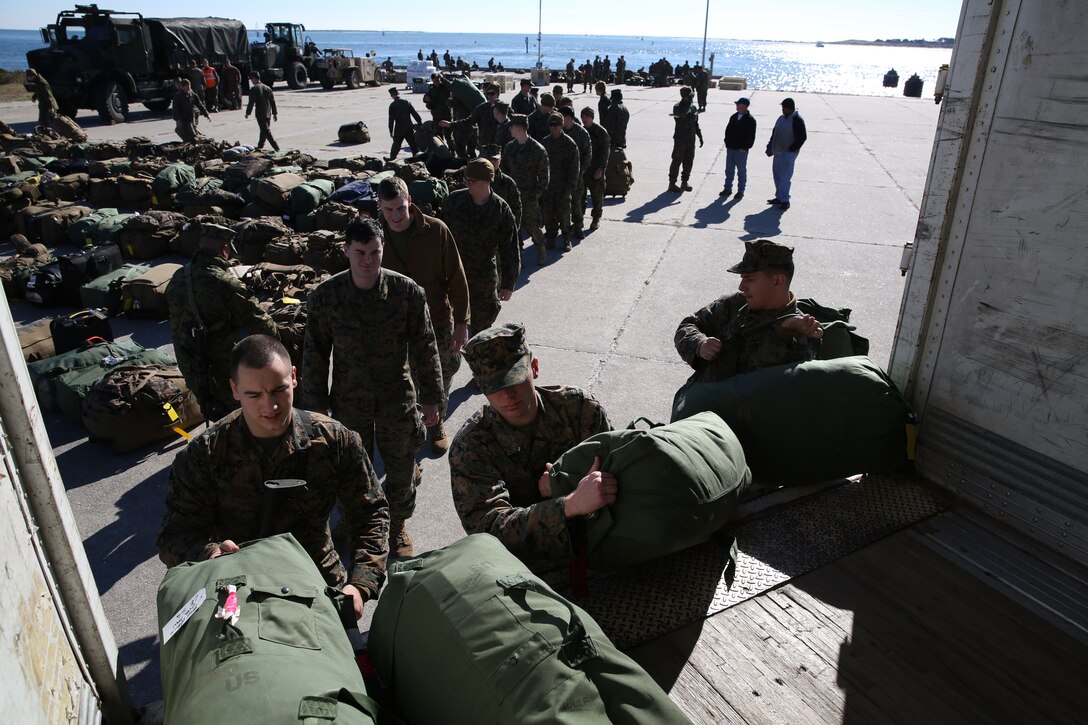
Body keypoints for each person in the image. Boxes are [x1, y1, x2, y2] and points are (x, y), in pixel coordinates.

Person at [157, 335, 389, 619]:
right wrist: (211, 553)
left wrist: (361, 583)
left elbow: (371, 513)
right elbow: (173, 536)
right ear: (234, 389)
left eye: (279, 390)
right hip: (238, 587)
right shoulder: (205, 453)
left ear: (294, 377)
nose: (270, 406)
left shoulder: (334, 440)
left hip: (316, 578)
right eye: (254, 395)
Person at [302, 217, 442, 557]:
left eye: (375, 253)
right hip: (350, 402)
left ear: (383, 250)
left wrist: (432, 398)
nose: (368, 261)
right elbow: (314, 355)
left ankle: (397, 526)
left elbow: (425, 346)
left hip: (398, 400)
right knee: (350, 470)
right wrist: (315, 409)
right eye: (360, 252)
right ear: (346, 250)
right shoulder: (326, 296)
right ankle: (354, 523)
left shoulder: (406, 292)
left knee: (401, 469)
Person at [449, 323, 615, 570]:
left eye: (513, 380)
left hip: (597, 541)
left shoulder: (579, 409)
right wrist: (569, 504)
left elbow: (617, 468)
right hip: (522, 567)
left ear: (534, 368)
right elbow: (488, 530)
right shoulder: (471, 446)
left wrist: (565, 478)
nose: (507, 395)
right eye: (495, 387)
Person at [375, 177, 469, 453]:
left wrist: (462, 323)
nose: (395, 216)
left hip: (438, 318)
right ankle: (414, 428)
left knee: (444, 370)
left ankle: (436, 421)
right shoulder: (376, 235)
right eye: (388, 209)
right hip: (396, 325)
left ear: (410, 203)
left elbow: (457, 277)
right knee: (405, 380)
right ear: (380, 206)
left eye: (400, 208)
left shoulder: (435, 230)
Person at [166, 222, 278, 422]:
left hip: (192, 366)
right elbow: (261, 324)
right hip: (222, 367)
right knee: (240, 417)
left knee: (216, 415)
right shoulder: (224, 283)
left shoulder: (178, 278)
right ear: (224, 249)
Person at [674, 239, 824, 384]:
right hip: (705, 399)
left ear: (778, 281)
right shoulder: (736, 303)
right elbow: (688, 325)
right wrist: (700, 343)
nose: (741, 286)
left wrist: (782, 332)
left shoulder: (802, 330)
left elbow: (777, 387)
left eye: (749, 279)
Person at [440, 158, 520, 332]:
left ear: (487, 181)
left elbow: (510, 249)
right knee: (450, 327)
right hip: (454, 274)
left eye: (471, 181)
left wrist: (508, 283)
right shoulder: (454, 201)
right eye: (466, 180)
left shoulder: (501, 210)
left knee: (481, 329)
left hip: (483, 280)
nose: (467, 184)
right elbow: (440, 238)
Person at [500, 114, 550, 265]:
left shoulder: (537, 149)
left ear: (520, 129)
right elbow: (504, 171)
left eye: (512, 126)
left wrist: (535, 195)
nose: (509, 128)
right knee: (514, 226)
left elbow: (544, 177)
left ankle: (540, 247)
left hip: (529, 196)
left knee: (532, 225)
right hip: (513, 195)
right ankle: (518, 253)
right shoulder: (510, 148)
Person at [540, 112, 580, 254]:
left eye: (556, 124)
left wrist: (570, 188)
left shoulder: (569, 144)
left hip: (564, 187)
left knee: (564, 215)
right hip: (549, 187)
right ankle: (551, 237)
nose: (554, 127)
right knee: (548, 214)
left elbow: (574, 168)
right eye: (551, 124)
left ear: (561, 125)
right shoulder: (544, 143)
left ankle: (566, 238)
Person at [765, 97, 807, 210]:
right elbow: (774, 134)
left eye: (784, 108)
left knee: (785, 177)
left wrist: (792, 149)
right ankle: (779, 197)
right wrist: (770, 146)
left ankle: (785, 200)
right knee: (777, 175)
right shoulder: (781, 119)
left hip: (788, 154)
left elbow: (802, 137)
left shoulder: (797, 120)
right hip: (777, 152)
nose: (782, 109)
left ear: (790, 108)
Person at [560, 107, 591, 240]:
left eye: (562, 118)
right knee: (563, 204)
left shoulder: (581, 133)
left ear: (569, 118)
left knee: (577, 203)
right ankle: (565, 229)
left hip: (577, 176)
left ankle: (578, 227)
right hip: (561, 176)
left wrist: (581, 171)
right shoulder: (558, 133)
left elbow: (588, 154)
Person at [480, 143, 522, 233]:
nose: (491, 162)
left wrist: (513, 231)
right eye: (487, 159)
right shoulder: (472, 181)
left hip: (501, 231)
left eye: (494, 159)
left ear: (500, 160)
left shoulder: (508, 183)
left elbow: (516, 209)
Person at [579, 106, 609, 231]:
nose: (584, 119)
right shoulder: (581, 131)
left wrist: (601, 169)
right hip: (584, 170)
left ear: (592, 117)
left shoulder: (601, 132)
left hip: (596, 169)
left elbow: (605, 153)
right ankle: (579, 220)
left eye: (586, 116)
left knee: (597, 196)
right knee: (580, 196)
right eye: (582, 116)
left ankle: (596, 218)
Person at [721, 97, 757, 199]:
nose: (737, 106)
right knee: (729, 170)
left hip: (741, 150)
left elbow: (751, 136)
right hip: (731, 148)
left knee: (741, 171)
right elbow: (727, 131)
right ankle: (727, 188)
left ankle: (741, 191)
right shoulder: (733, 117)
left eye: (738, 104)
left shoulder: (750, 120)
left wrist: (745, 147)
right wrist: (727, 142)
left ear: (744, 106)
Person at [669, 86, 703, 193]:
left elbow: (695, 123)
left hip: (691, 139)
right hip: (681, 139)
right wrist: (687, 105)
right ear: (684, 96)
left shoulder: (693, 108)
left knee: (689, 161)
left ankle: (684, 182)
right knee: (677, 160)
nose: (692, 98)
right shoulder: (677, 107)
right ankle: (672, 183)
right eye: (690, 96)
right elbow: (682, 114)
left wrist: (700, 135)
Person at [245, 71, 279, 151]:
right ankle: (260, 145)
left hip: (260, 113)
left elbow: (251, 102)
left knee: (266, 131)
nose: (251, 81)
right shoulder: (268, 88)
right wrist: (274, 113)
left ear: (254, 78)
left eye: (251, 79)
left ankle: (276, 148)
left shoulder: (254, 89)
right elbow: (273, 102)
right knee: (264, 130)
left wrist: (247, 113)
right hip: (268, 113)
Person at [387, 87, 422, 160]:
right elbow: (414, 113)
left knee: (396, 144)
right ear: (398, 93)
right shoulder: (406, 102)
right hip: (409, 127)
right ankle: (417, 158)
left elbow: (391, 120)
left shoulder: (392, 105)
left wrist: (391, 131)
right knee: (412, 145)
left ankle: (392, 158)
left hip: (399, 129)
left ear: (391, 95)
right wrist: (419, 122)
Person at [171, 77, 209, 143]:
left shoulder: (192, 94)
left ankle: (192, 141)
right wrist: (177, 120)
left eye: (189, 86)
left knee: (193, 131)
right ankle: (190, 142)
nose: (188, 88)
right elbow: (175, 108)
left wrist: (206, 114)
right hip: (183, 118)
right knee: (190, 134)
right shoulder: (178, 95)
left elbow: (200, 104)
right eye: (186, 86)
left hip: (192, 116)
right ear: (182, 87)